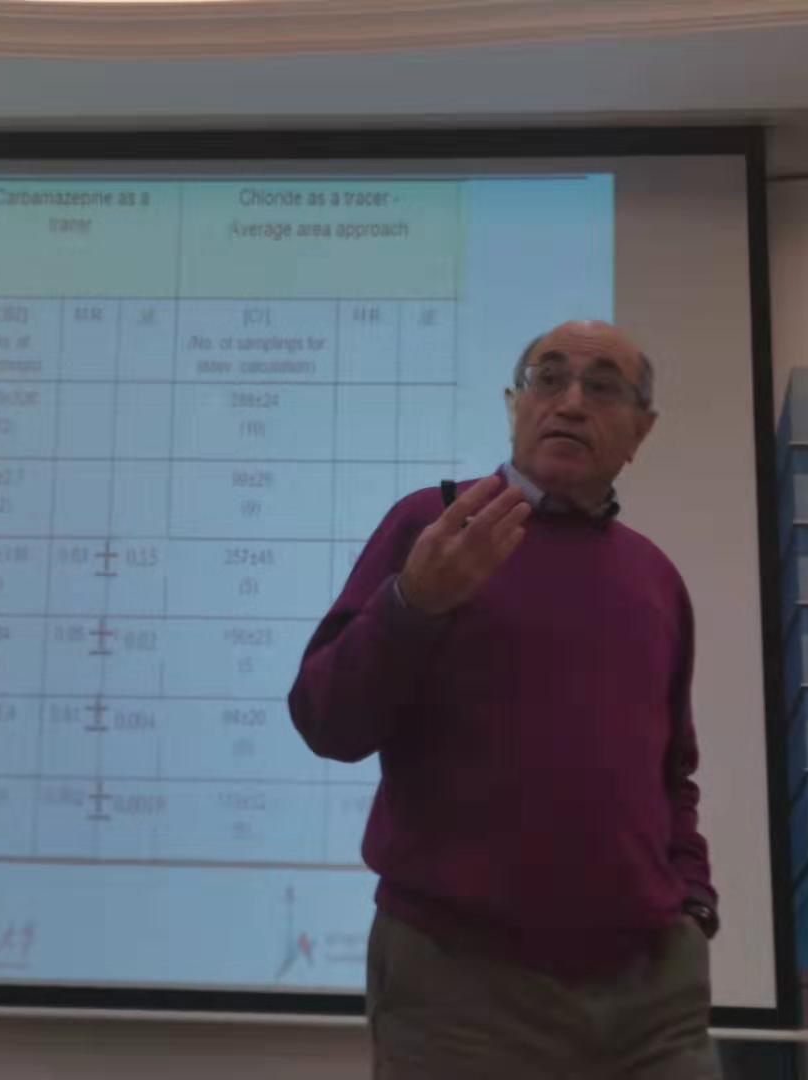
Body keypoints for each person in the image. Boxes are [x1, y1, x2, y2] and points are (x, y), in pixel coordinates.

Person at [288, 320, 719, 1078]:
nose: (571, 402)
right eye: (548, 379)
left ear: (640, 431)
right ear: (515, 404)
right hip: (463, 988)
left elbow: (670, 774)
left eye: (603, 387)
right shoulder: (434, 525)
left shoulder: (655, 578)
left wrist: (693, 901)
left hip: (652, 992)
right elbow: (327, 721)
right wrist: (413, 604)